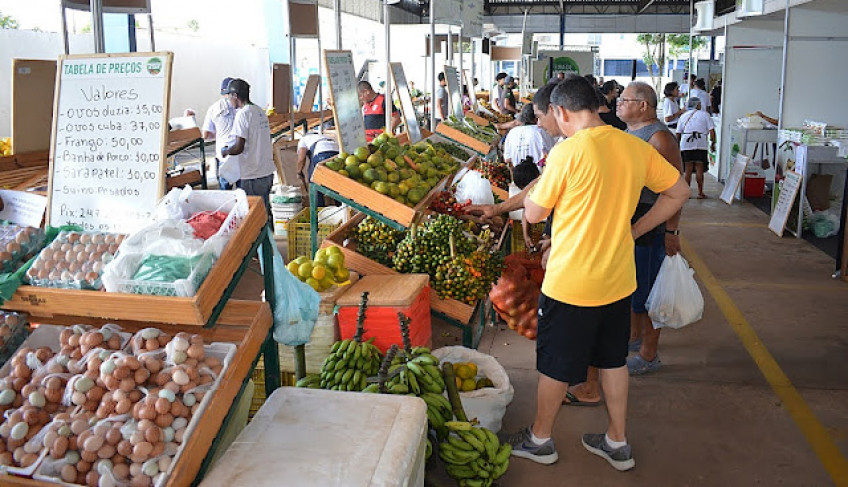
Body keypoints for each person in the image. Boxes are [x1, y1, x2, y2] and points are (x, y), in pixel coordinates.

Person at [498, 75, 689, 469]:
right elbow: (679, 192)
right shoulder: (633, 146)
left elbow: (534, 213)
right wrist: (635, 230)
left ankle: (540, 440)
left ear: (562, 111)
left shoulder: (569, 152)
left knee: (554, 366)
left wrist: (538, 191)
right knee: (613, 362)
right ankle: (617, 442)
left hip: (571, 284)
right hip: (617, 280)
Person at [616, 81, 684, 375]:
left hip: (651, 221)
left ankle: (649, 354)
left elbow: (676, 188)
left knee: (650, 292)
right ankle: (634, 339)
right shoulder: (627, 133)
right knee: (633, 288)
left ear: (643, 105)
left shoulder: (659, 138)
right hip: (629, 219)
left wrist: (671, 231)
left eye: (624, 99)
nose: (618, 103)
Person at [220, 79, 277, 214]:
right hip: (266, 171)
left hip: (253, 174)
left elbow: (239, 147)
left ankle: (262, 235)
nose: (229, 100)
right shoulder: (259, 111)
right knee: (264, 212)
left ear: (235, 95)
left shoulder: (243, 114)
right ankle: (268, 234)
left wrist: (226, 151)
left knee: (252, 216)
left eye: (229, 96)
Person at [202, 77, 238, 189]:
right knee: (244, 192)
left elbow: (205, 135)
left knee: (224, 192)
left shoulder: (213, 108)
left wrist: (220, 133)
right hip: (240, 154)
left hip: (223, 154)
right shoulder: (242, 107)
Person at [677, 97, 716, 199]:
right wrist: (713, 143)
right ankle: (700, 192)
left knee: (688, 169)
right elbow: (712, 131)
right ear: (697, 105)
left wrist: (677, 145)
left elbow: (678, 133)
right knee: (699, 167)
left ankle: (687, 193)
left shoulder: (683, 116)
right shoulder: (705, 115)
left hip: (686, 144)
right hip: (701, 143)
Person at [502, 104, 555, 169]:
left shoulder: (512, 133)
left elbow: (507, 159)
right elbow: (553, 153)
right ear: (536, 118)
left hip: (518, 175)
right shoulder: (541, 131)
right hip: (539, 175)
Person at [297, 127, 339, 207]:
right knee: (335, 183)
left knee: (314, 182)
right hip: (337, 154)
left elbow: (301, 158)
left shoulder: (303, 139)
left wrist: (299, 172)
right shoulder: (324, 136)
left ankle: (319, 210)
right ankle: (341, 208)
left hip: (322, 154)